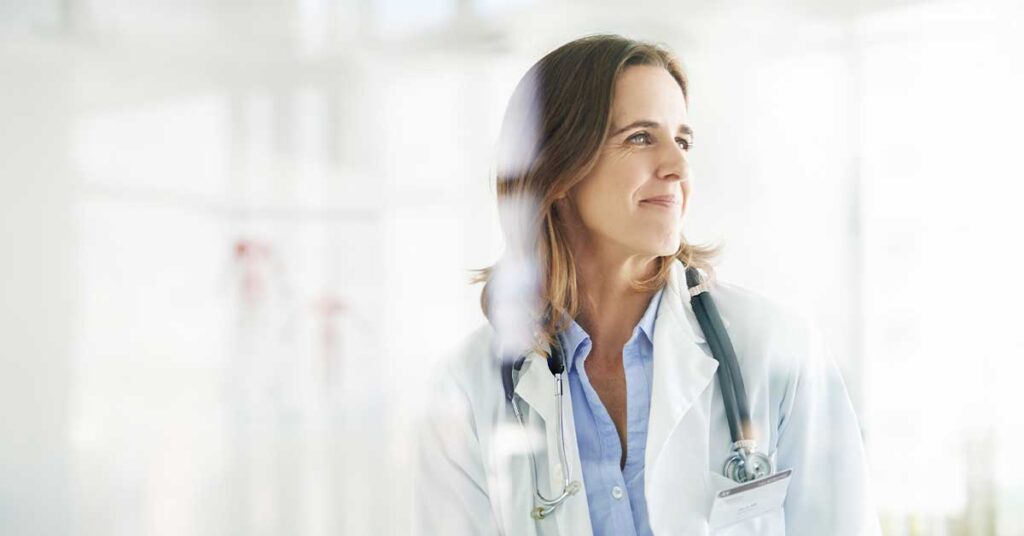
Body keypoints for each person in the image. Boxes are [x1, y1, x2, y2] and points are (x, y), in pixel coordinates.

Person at [412, 34, 881, 535]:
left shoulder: (774, 349)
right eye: (640, 137)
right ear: (559, 169)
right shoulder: (467, 390)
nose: (678, 167)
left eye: (682, 140)